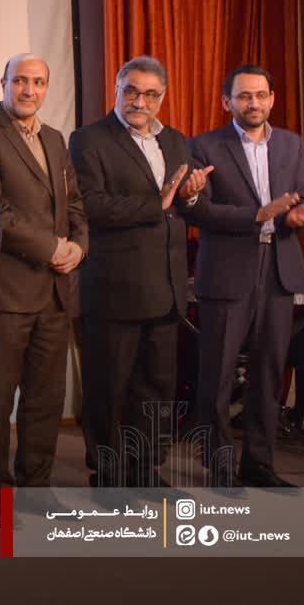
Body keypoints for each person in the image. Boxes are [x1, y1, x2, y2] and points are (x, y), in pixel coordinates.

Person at [69, 55, 210, 486]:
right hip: (114, 289)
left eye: (150, 94)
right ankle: (108, 474)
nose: (139, 101)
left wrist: (190, 195)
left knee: (157, 389)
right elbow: (92, 205)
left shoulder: (176, 140)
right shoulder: (88, 139)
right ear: (117, 90)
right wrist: (158, 203)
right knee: (109, 389)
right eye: (131, 91)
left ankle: (146, 469)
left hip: (166, 290)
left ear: (162, 97)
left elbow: (186, 209)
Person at [0, 53, 86, 521]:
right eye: (20, 81)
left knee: (45, 400)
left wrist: (79, 247)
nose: (28, 90)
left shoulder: (55, 138)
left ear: (46, 87)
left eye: (37, 82)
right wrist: (50, 247)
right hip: (6, 294)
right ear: (3, 83)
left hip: (55, 293)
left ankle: (36, 488)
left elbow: (75, 205)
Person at [186, 64, 304, 487]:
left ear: (272, 98)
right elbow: (198, 210)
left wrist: (297, 214)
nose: (253, 103)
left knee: (269, 373)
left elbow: (302, 194)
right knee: (217, 376)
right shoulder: (204, 146)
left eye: (260, 95)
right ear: (227, 102)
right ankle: (219, 469)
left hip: (279, 269)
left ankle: (259, 465)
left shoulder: (292, 143)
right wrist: (257, 215)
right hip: (227, 272)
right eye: (243, 96)